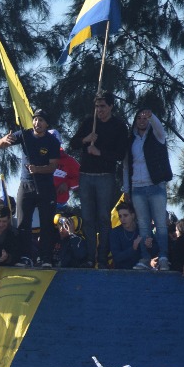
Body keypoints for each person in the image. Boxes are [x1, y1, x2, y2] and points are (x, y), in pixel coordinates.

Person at [68, 92, 128, 268]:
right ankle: (89, 257)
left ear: (111, 106)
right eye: (97, 106)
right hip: (86, 175)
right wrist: (86, 139)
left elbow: (120, 154)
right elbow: (73, 143)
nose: (99, 110)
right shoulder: (89, 122)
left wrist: (99, 152)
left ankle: (102, 258)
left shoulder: (119, 126)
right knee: (87, 218)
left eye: (102, 106)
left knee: (103, 218)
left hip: (105, 177)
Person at [0, 109, 62, 265]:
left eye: (41, 120)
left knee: (46, 224)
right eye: (35, 119)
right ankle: (25, 257)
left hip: (45, 186)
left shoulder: (52, 142)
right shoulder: (24, 134)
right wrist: (5, 139)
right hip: (26, 185)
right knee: (23, 223)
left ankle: (45, 258)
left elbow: (53, 166)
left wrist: (37, 169)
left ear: (47, 124)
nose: (37, 123)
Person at [123, 106, 173, 270]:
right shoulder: (131, 140)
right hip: (137, 187)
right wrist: (126, 189)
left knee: (160, 224)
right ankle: (145, 258)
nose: (142, 121)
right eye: (139, 118)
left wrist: (152, 116)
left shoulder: (157, 136)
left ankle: (163, 257)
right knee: (143, 225)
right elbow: (126, 166)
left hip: (156, 186)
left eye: (145, 118)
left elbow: (159, 128)